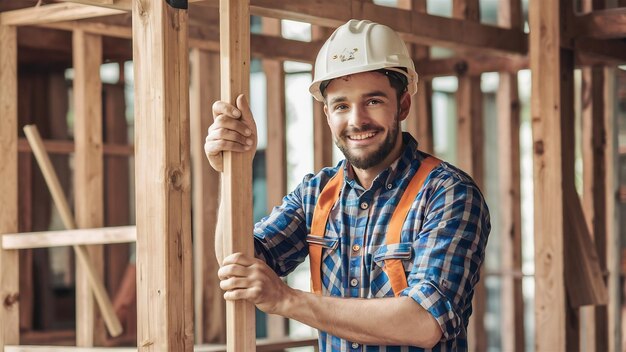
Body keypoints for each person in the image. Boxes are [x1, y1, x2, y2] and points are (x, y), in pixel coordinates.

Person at [205, 19, 490, 351]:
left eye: (373, 101)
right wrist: (229, 173)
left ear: (403, 105)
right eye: (342, 105)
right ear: (328, 115)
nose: (357, 121)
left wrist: (286, 299)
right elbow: (237, 262)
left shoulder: (447, 193)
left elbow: (424, 322)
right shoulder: (316, 194)